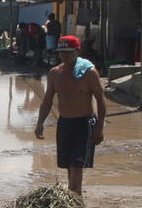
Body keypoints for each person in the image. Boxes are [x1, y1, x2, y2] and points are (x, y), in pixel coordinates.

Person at [34, 35, 106, 198]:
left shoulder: (89, 73)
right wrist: (40, 123)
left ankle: (76, 200)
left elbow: (101, 101)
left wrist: (100, 128)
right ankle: (73, 199)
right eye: (61, 52)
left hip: (84, 124)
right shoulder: (55, 73)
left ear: (77, 51)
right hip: (65, 123)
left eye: (68, 52)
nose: (65, 55)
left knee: (77, 165)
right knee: (68, 165)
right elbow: (47, 101)